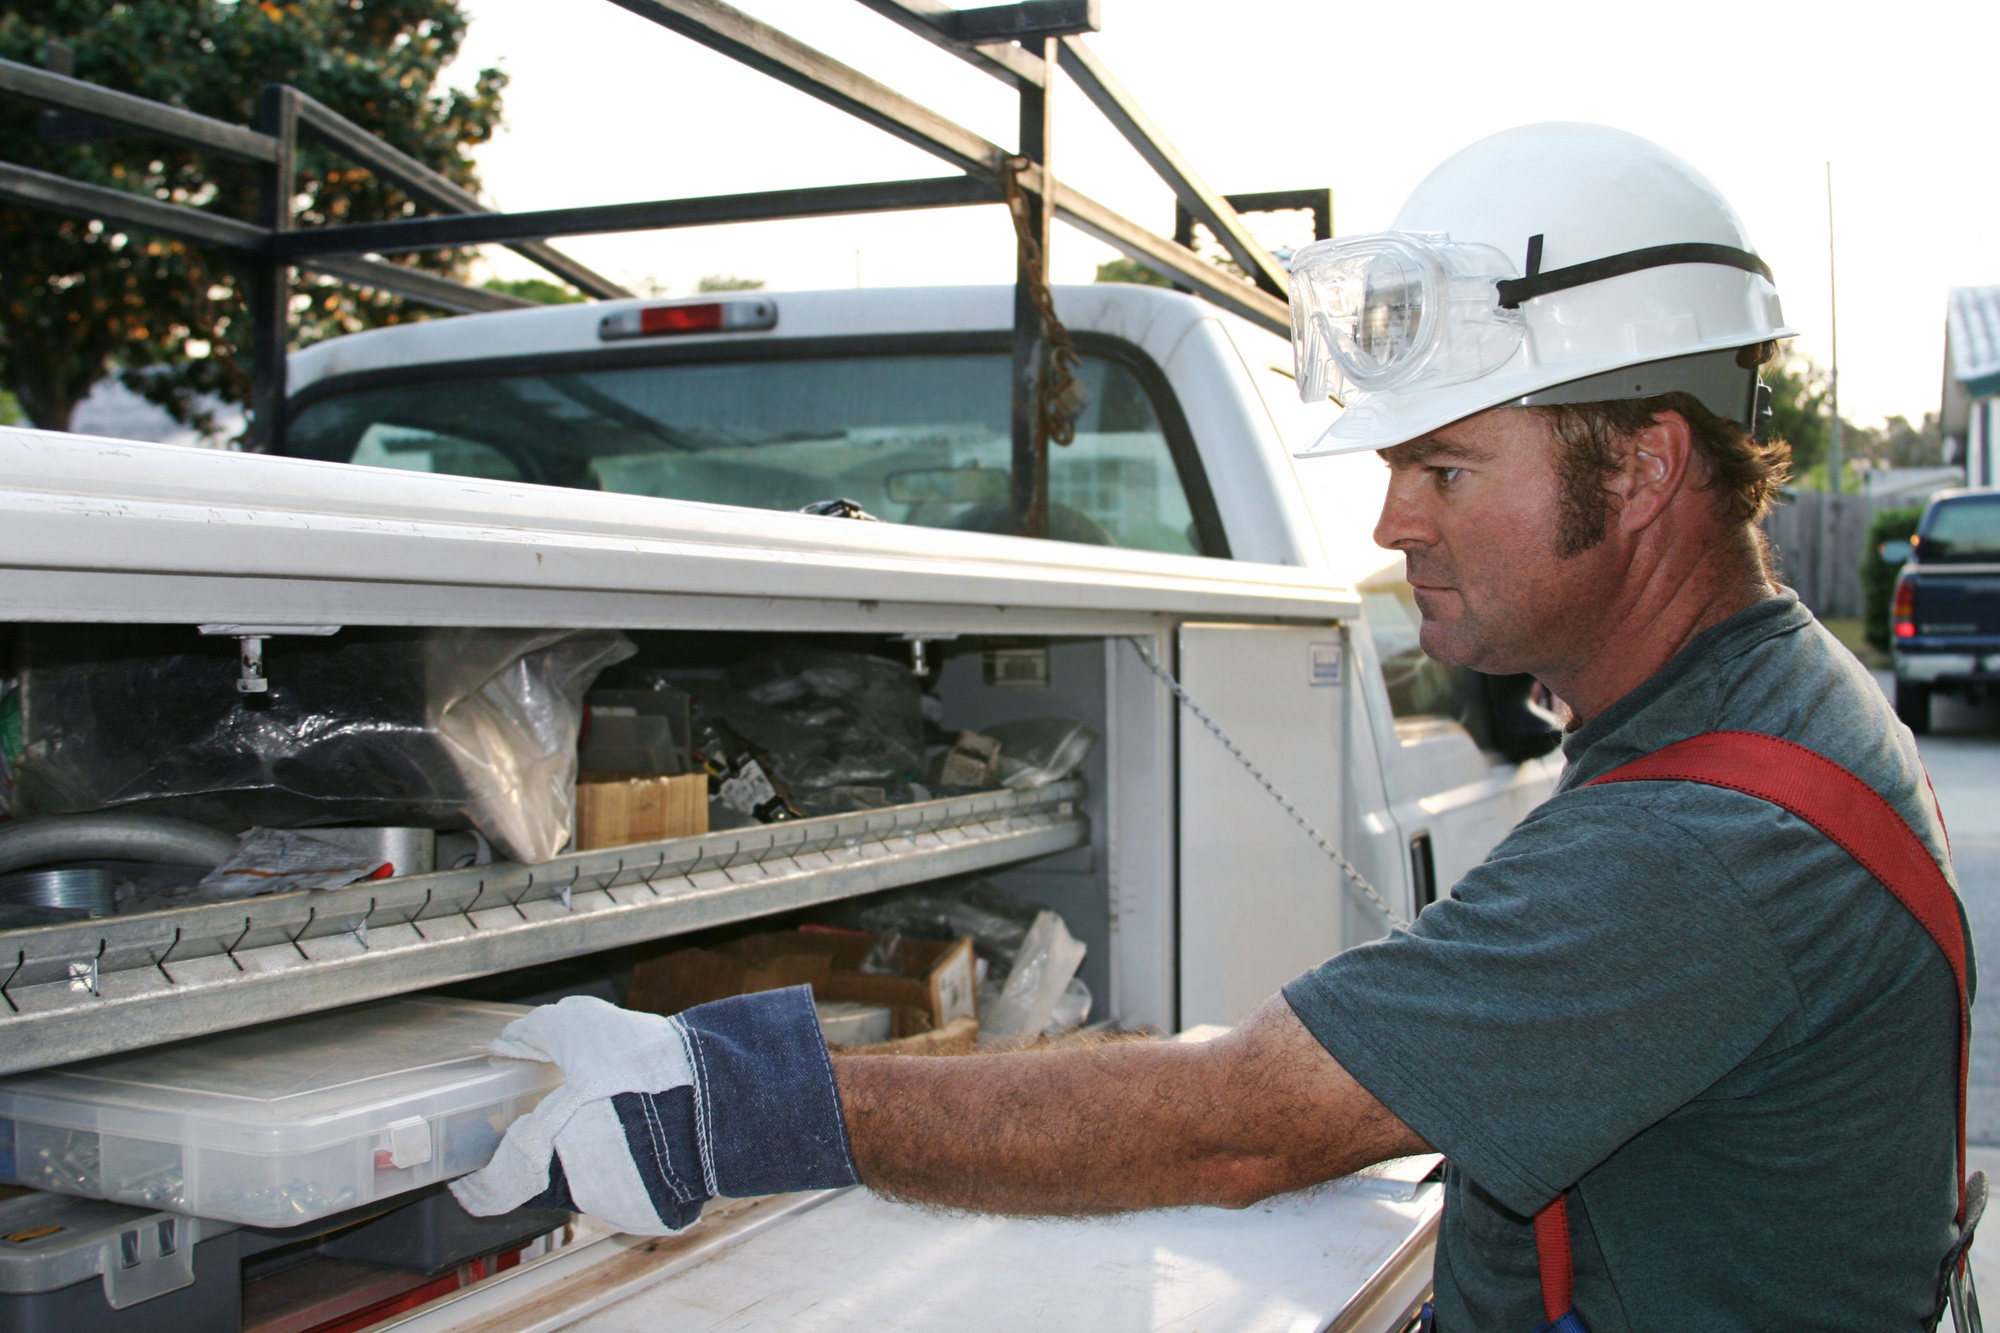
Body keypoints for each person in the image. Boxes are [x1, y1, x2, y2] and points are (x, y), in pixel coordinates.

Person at [452, 125, 1969, 1331]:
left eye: (1446, 468)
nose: (1392, 519)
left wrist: (732, 1100)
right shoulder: (1752, 707)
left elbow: (1241, 1124)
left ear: (1640, 469)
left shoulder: (1703, 842)